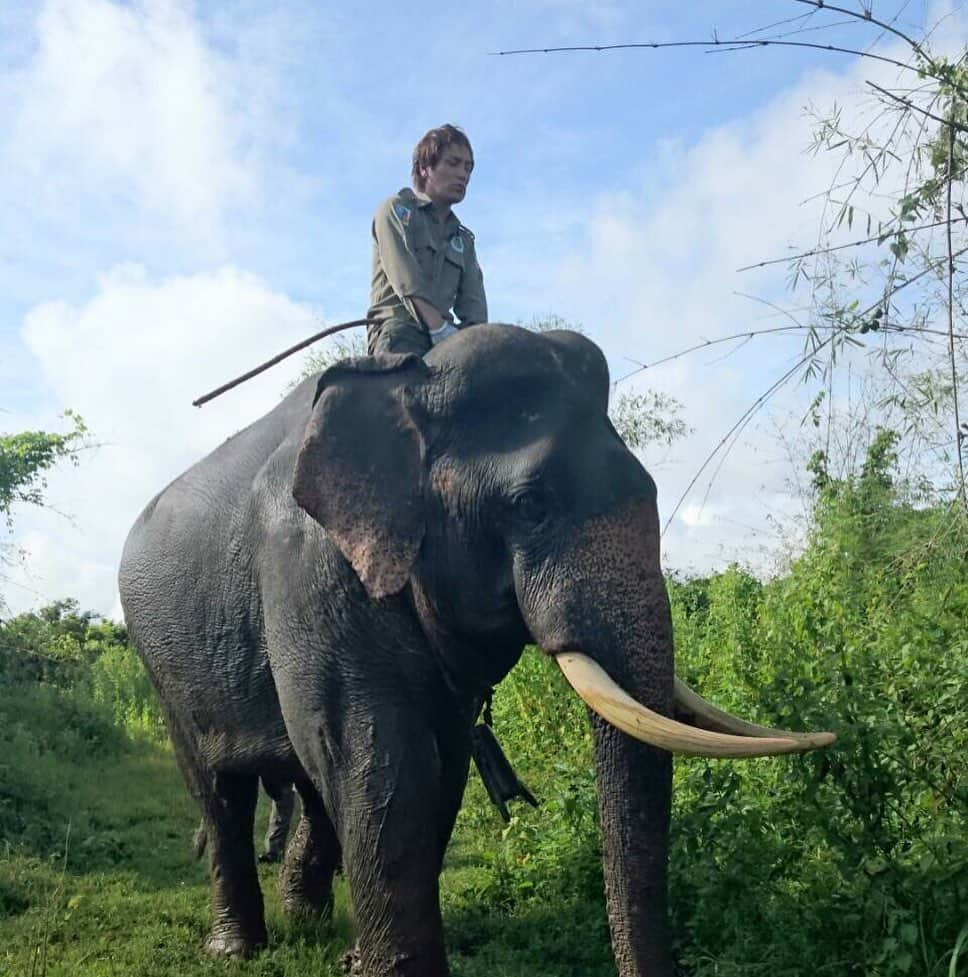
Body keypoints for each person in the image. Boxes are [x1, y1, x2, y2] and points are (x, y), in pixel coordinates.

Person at [367, 124, 488, 356]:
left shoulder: (463, 240)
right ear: (425, 168)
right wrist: (439, 328)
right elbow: (405, 278)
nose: (463, 174)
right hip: (398, 331)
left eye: (468, 167)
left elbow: (475, 311)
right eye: (453, 164)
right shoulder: (396, 211)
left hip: (447, 341)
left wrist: (477, 348)